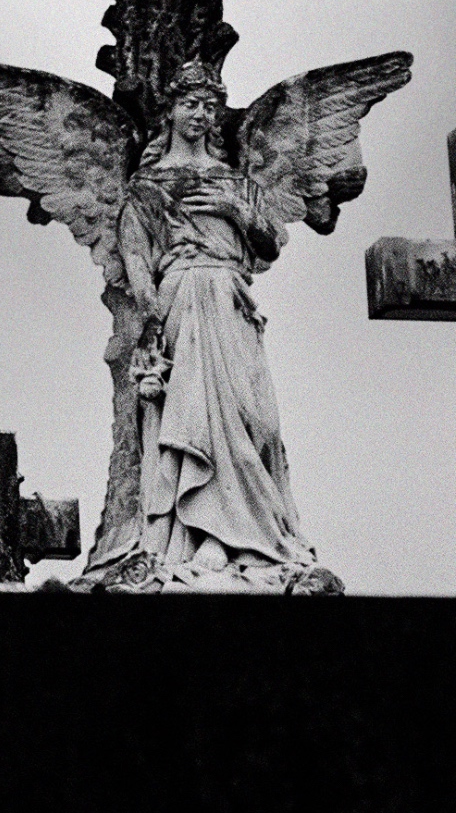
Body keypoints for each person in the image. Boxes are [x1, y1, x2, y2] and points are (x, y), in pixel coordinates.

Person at [119, 62, 317, 576]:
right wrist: (151, 323)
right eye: (191, 104)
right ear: (171, 109)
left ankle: (257, 535)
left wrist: (240, 211)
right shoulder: (148, 185)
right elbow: (136, 258)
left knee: (258, 424)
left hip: (231, 302)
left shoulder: (235, 182)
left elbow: (270, 241)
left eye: (210, 106)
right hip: (180, 300)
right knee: (194, 420)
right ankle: (204, 537)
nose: (201, 115)